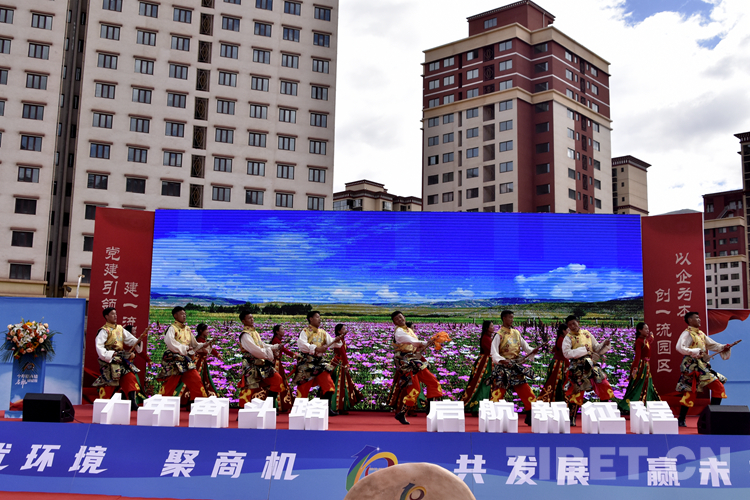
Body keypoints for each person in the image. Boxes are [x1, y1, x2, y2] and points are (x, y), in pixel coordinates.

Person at [675, 311, 732, 427]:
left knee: (718, 387)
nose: (699, 319)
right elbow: (680, 347)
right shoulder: (687, 334)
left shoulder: (700, 334)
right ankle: (681, 419)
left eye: (699, 318)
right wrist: (694, 351)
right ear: (690, 320)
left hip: (703, 366)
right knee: (690, 392)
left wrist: (723, 347)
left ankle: (713, 416)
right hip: (691, 366)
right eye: (696, 318)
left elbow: (712, 345)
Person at [388, 311, 444, 425]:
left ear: (404, 317)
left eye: (400, 317)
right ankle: (402, 413)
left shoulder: (409, 330)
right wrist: (425, 342)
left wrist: (424, 347)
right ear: (394, 322)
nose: (400, 319)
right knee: (415, 390)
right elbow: (411, 341)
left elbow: (414, 345)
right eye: (397, 319)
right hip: (406, 363)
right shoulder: (399, 332)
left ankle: (430, 409)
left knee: (433, 382)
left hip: (414, 360)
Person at [563, 315, 615, 425]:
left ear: (578, 322)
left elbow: (596, 348)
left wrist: (604, 344)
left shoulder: (587, 333)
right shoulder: (568, 337)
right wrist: (583, 350)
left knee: (603, 384)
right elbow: (567, 353)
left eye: (574, 323)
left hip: (590, 364)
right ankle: (572, 418)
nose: (572, 326)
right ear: (568, 326)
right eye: (570, 325)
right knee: (577, 390)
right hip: (577, 366)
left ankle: (605, 414)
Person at [489, 311, 537, 425]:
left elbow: (526, 347)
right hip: (503, 368)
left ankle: (530, 415)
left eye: (512, 317)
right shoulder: (499, 334)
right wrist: (502, 360)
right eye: (509, 317)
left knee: (525, 390)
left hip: (515, 367)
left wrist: (532, 351)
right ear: (504, 318)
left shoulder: (516, 333)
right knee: (499, 391)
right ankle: (490, 415)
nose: (512, 320)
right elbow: (493, 352)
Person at [292, 311, 344, 416]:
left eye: (320, 317)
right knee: (303, 388)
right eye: (317, 317)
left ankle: (325, 409)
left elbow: (333, 343)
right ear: (311, 319)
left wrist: (337, 339)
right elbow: (302, 345)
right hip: (307, 362)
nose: (320, 319)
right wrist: (316, 348)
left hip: (319, 363)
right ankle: (300, 411)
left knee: (329, 385)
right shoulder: (305, 332)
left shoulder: (323, 332)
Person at [92, 307, 144, 410]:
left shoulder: (120, 328)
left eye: (115, 313)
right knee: (109, 382)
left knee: (130, 377)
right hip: (110, 360)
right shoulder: (104, 331)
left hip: (121, 359)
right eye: (112, 314)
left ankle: (132, 402)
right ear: (106, 316)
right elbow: (99, 346)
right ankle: (104, 404)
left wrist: (137, 341)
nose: (115, 316)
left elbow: (130, 339)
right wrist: (110, 355)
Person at [156, 306, 209, 406]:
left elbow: (194, 345)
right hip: (174, 358)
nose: (184, 316)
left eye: (185, 314)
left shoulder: (187, 329)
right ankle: (161, 403)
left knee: (195, 379)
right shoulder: (172, 328)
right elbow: (170, 342)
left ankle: (197, 402)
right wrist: (184, 348)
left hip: (185, 359)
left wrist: (203, 345)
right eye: (181, 314)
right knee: (171, 382)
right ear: (175, 316)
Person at [237, 311, 284, 406]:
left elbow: (262, 345)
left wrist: (274, 347)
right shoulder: (245, 335)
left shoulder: (254, 332)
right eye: (249, 318)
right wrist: (269, 354)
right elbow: (255, 350)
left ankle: (269, 405)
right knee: (249, 388)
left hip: (261, 363)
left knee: (277, 379)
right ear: (243, 321)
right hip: (251, 364)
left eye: (252, 317)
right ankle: (244, 410)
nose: (252, 319)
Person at [617, 322, 660, 413]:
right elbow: (637, 356)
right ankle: (631, 404)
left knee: (646, 384)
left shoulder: (645, 340)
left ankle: (646, 402)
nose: (647, 331)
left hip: (646, 365)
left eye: (648, 329)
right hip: (641, 366)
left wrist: (652, 336)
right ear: (640, 330)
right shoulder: (639, 341)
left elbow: (650, 340)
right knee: (639, 385)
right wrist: (635, 369)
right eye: (645, 329)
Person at [174, 323, 220, 406]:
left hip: (202, 362)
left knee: (202, 379)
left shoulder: (203, 340)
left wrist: (217, 354)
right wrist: (215, 354)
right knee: (195, 380)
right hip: (198, 362)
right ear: (201, 331)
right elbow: (205, 349)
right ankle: (188, 398)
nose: (208, 331)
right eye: (206, 330)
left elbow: (209, 349)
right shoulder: (198, 340)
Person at [459, 320, 494, 413]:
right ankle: (477, 405)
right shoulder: (486, 338)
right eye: (491, 326)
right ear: (487, 328)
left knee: (482, 383)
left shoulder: (488, 337)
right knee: (482, 383)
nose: (493, 328)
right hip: (485, 362)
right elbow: (491, 351)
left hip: (487, 361)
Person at [330, 324, 363, 414]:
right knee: (340, 385)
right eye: (343, 329)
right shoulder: (338, 341)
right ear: (339, 331)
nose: (345, 330)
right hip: (340, 364)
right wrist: (346, 365)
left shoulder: (341, 340)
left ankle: (341, 406)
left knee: (343, 385)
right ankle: (337, 407)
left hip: (337, 362)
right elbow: (343, 354)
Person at [538, 324, 570, 403]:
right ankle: (555, 400)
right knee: (556, 382)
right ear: (563, 331)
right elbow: (565, 352)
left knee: (556, 382)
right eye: (568, 330)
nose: (569, 332)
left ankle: (556, 399)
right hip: (559, 364)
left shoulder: (561, 339)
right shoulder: (561, 340)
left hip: (559, 362)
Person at [271, 324, 296, 412]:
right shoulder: (276, 341)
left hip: (278, 363)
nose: (283, 331)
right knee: (279, 383)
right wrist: (295, 356)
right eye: (282, 329)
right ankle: (279, 405)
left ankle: (282, 404)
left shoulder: (277, 340)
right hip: (276, 364)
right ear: (277, 332)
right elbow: (285, 351)